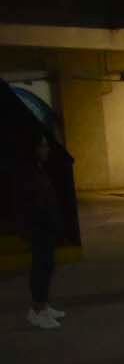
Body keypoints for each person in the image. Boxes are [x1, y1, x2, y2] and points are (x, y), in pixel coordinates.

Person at [17, 131, 65, 330]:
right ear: (34, 149)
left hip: (46, 227)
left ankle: (42, 306)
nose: (47, 150)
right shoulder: (27, 173)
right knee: (40, 268)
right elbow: (30, 204)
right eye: (43, 146)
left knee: (47, 266)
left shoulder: (39, 169)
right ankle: (37, 311)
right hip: (39, 228)